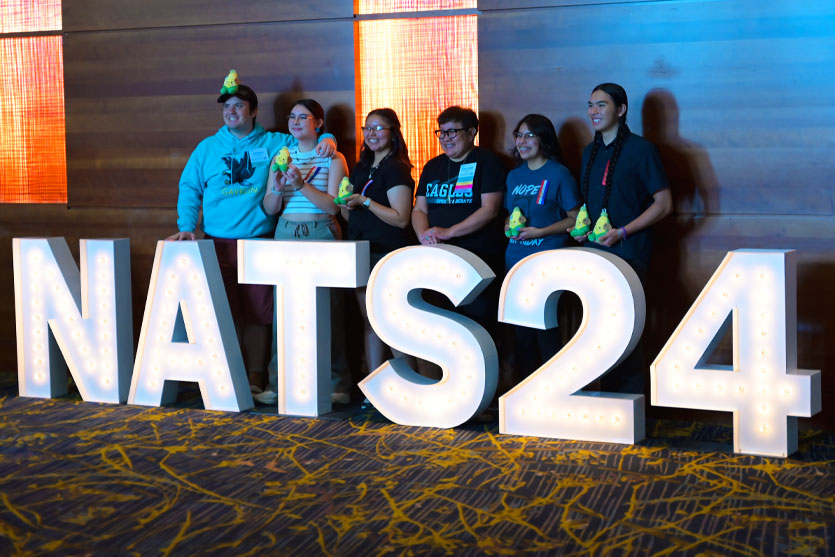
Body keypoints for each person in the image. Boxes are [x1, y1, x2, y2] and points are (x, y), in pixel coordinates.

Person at [167, 76, 337, 397]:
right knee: (223, 311)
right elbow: (189, 188)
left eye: (239, 106)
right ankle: (229, 377)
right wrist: (187, 225)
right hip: (216, 245)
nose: (231, 112)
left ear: (254, 111)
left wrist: (328, 136)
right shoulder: (207, 148)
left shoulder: (274, 143)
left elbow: (306, 137)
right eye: (227, 107)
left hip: (259, 242)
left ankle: (257, 377)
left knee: (260, 314)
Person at [572, 82, 672, 394]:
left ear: (621, 110)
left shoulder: (642, 150)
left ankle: (632, 407)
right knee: (598, 333)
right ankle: (606, 403)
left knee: (626, 333)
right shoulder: (590, 152)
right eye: (590, 105)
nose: (593, 111)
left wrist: (624, 231)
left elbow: (665, 204)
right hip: (594, 257)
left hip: (630, 256)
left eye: (601, 105)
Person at [257, 98, 350, 405]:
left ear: (319, 123)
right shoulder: (280, 158)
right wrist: (277, 186)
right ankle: (277, 382)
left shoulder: (333, 158)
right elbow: (270, 208)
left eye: (303, 117)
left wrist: (300, 185)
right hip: (285, 231)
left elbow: (334, 206)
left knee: (330, 311)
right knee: (284, 311)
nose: (295, 122)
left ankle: (336, 383)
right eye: (292, 117)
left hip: (320, 231)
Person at [412, 106, 507, 333]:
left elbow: (490, 209)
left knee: (478, 326)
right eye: (442, 133)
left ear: (472, 132)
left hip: (477, 260)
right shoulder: (432, 166)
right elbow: (419, 210)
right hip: (439, 259)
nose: (446, 139)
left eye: (453, 132)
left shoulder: (487, 162)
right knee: (443, 323)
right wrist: (425, 236)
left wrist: (449, 232)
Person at [504, 114, 581, 379]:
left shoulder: (559, 174)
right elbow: (510, 213)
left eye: (529, 135)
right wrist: (507, 226)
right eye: (519, 135)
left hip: (546, 263)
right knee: (521, 336)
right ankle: (525, 396)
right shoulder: (514, 175)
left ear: (543, 139)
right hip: (515, 262)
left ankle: (552, 391)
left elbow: (575, 217)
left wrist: (541, 231)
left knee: (546, 332)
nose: (522, 141)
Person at [340, 108, 416, 374]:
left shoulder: (396, 168)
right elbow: (354, 218)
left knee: (390, 321)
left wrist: (365, 201)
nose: (371, 134)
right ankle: (374, 385)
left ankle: (410, 382)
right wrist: (345, 204)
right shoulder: (361, 167)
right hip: (361, 250)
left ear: (393, 133)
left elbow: (401, 218)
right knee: (370, 321)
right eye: (367, 128)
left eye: (378, 128)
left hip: (386, 253)